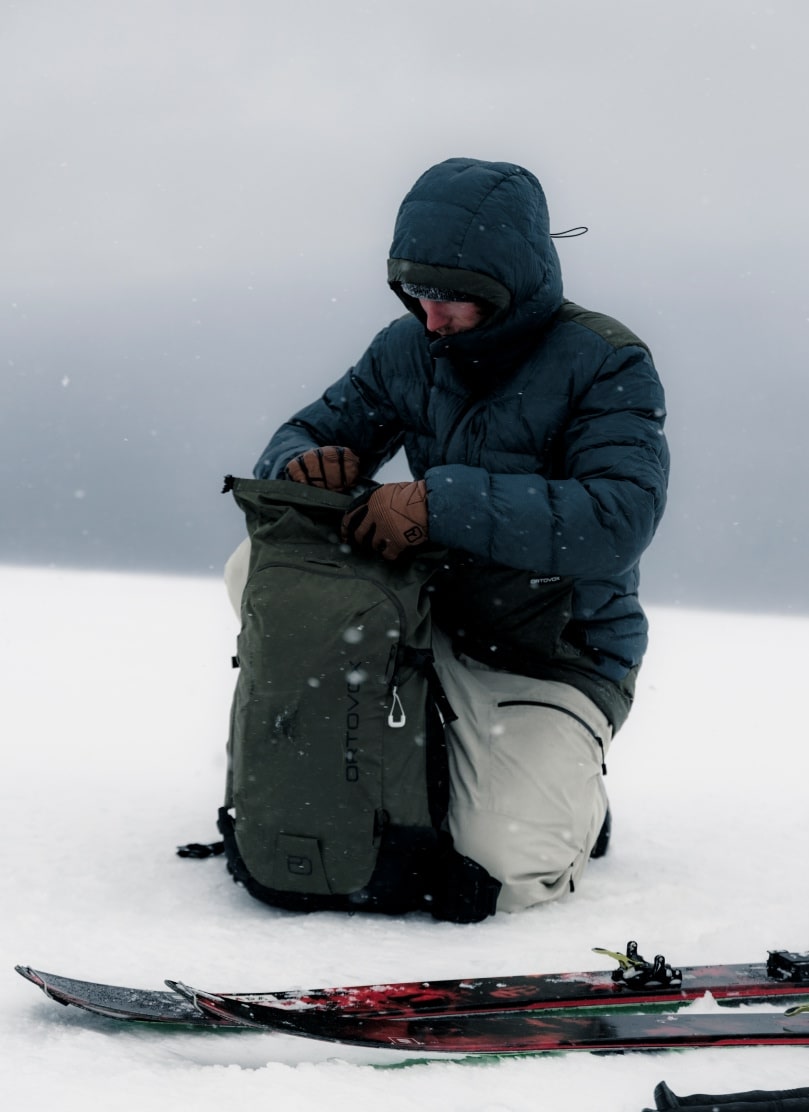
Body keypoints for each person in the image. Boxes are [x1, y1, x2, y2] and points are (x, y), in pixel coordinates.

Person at [226, 156, 669, 914]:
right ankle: (387, 759)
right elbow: (298, 433)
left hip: (554, 657)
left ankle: (569, 794)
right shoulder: (407, 347)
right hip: (429, 630)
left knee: (504, 869)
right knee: (254, 564)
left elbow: (615, 520)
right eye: (416, 293)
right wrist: (303, 462)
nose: (430, 317)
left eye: (453, 299)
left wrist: (439, 504)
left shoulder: (605, 361)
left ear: (508, 283)